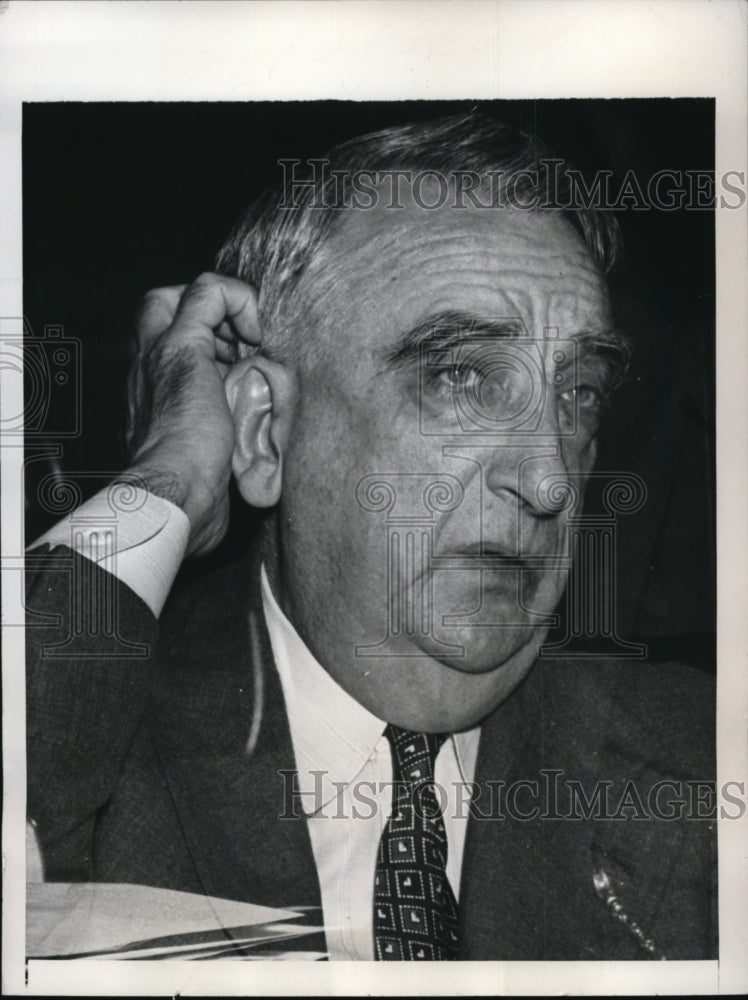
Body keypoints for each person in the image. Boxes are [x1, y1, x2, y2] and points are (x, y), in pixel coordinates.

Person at [25, 113, 716, 961]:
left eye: (577, 397)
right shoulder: (90, 745)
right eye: (460, 376)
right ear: (266, 433)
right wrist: (164, 484)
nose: (548, 480)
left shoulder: (698, 767)